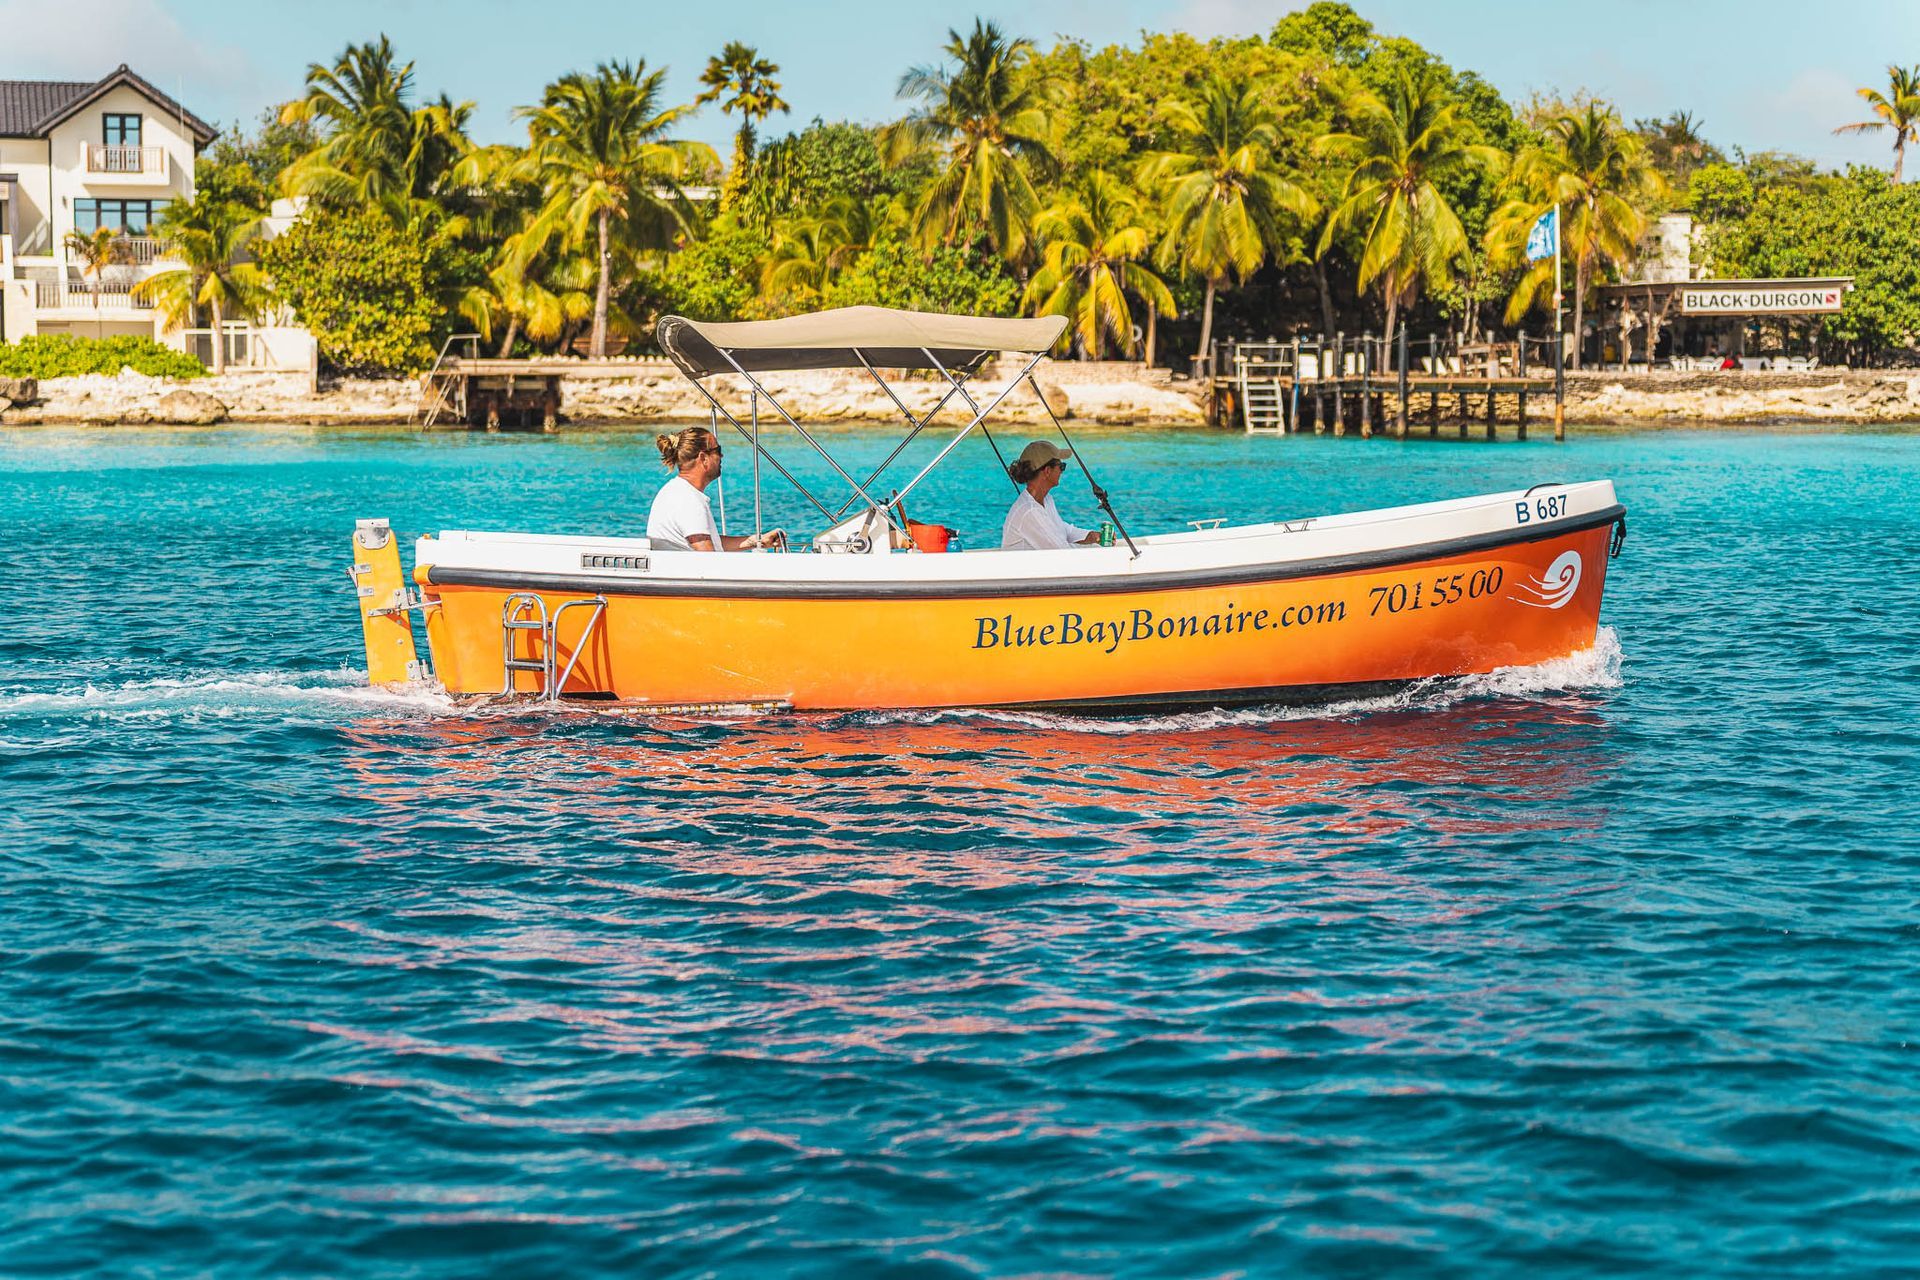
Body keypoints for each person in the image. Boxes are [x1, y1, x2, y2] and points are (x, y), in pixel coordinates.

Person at [647, 427, 784, 552]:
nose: (721, 456)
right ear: (703, 458)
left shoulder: (676, 491)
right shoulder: (688, 501)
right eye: (718, 451)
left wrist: (756, 541)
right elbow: (709, 559)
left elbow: (710, 542)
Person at [1001, 440, 1101, 551]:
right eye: (1061, 466)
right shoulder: (1029, 511)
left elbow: (1063, 530)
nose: (1062, 471)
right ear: (1047, 471)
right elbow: (1061, 550)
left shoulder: (1047, 500)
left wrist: (1092, 536)